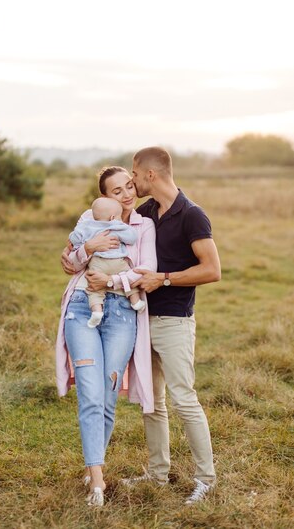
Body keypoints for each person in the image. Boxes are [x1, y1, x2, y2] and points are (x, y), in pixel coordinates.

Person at [120, 146, 221, 505]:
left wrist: (162, 279)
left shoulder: (192, 215)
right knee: (152, 401)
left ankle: (206, 479)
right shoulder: (146, 212)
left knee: (184, 400)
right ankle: (157, 474)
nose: (131, 180)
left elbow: (211, 270)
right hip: (141, 320)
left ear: (151, 175)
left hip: (175, 321)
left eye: (134, 172)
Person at [56, 166, 157, 506]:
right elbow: (68, 262)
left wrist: (112, 282)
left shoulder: (144, 226)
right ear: (103, 197)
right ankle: (96, 477)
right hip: (83, 309)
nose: (127, 194)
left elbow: (147, 271)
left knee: (109, 393)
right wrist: (90, 248)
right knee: (90, 393)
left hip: (122, 315)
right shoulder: (90, 218)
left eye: (129, 186)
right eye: (116, 191)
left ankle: (93, 462)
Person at [69, 196, 146, 328]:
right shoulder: (117, 225)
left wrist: (80, 242)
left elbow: (74, 238)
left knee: (93, 288)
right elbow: (132, 238)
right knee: (128, 278)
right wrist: (123, 228)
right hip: (118, 262)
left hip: (97, 263)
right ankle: (135, 301)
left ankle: (97, 311)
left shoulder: (87, 225)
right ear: (112, 217)